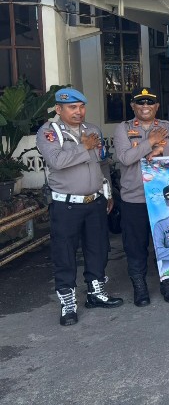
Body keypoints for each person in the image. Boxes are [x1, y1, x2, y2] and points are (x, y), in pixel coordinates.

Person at [36, 87, 123, 325]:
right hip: (66, 205)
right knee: (64, 253)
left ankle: (96, 293)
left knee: (98, 248)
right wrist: (83, 147)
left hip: (95, 201)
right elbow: (57, 161)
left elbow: (102, 163)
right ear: (59, 109)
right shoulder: (49, 132)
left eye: (81, 107)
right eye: (72, 107)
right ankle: (68, 302)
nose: (78, 112)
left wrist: (108, 192)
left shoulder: (92, 130)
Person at [113, 87, 169, 306]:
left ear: (156, 106)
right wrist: (150, 142)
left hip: (164, 199)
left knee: (167, 242)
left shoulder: (168, 127)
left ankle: (167, 283)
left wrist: (162, 151)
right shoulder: (123, 129)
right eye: (140, 102)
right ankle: (140, 286)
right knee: (135, 246)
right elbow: (125, 158)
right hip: (134, 198)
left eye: (149, 103)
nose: (145, 106)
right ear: (133, 106)